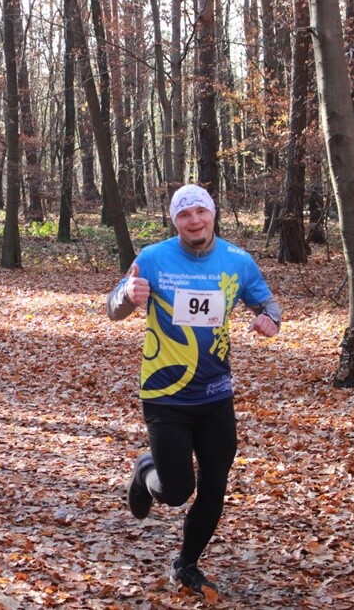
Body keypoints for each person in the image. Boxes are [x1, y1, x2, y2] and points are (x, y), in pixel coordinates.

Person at [106, 184, 280, 597]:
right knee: (177, 490)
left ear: (213, 214)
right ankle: (145, 470)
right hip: (166, 393)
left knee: (215, 483)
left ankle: (186, 564)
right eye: (185, 215)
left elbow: (267, 303)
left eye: (201, 211)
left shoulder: (238, 261)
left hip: (216, 393)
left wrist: (270, 319)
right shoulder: (152, 258)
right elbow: (112, 307)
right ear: (175, 221)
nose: (195, 221)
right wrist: (128, 296)